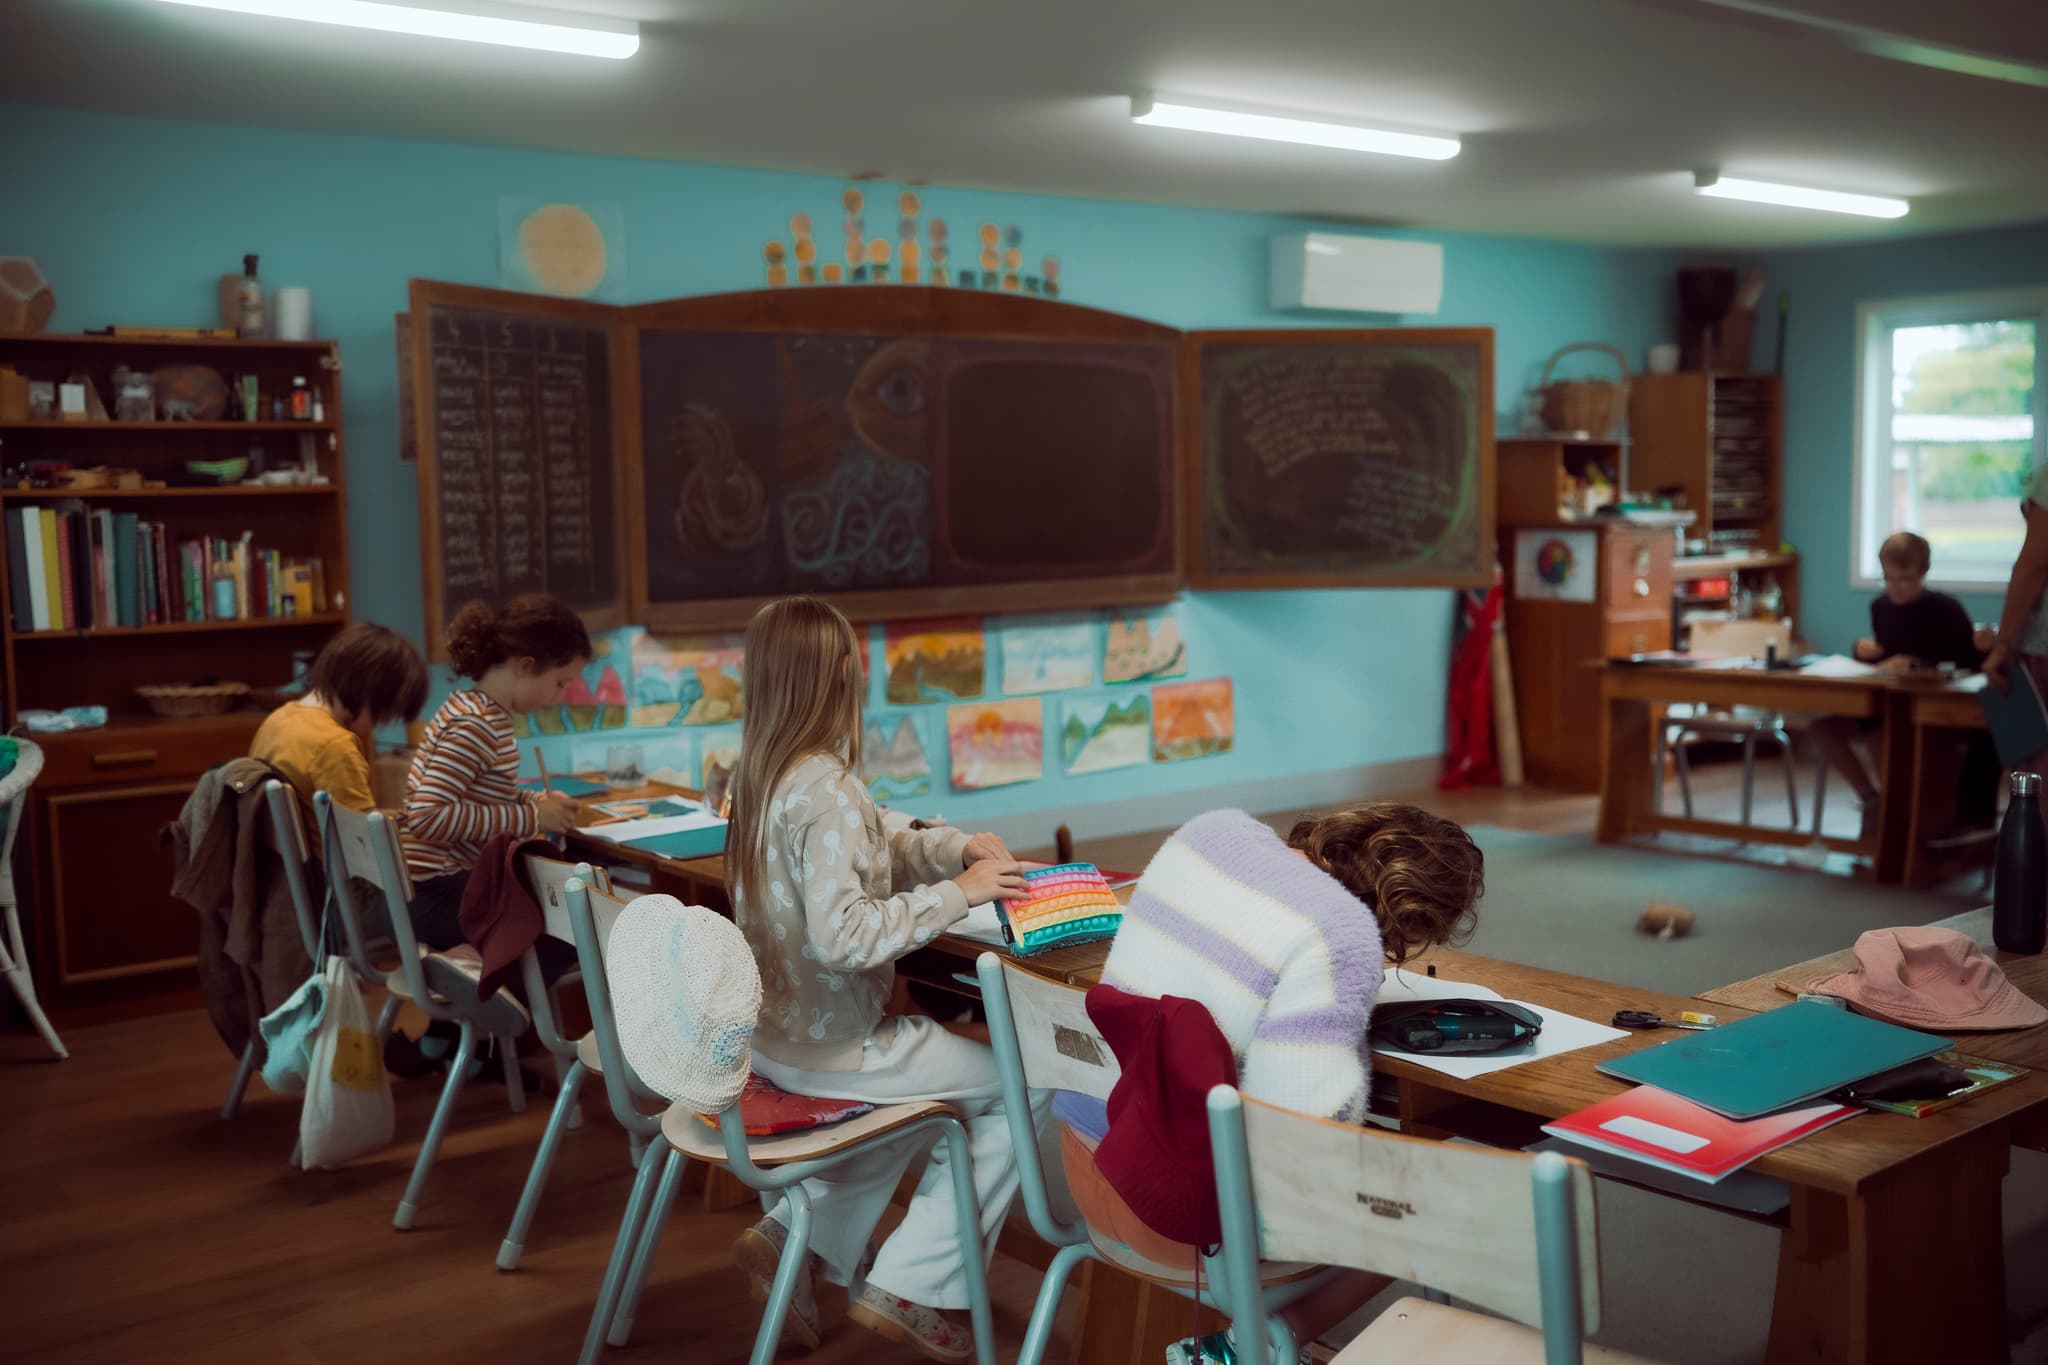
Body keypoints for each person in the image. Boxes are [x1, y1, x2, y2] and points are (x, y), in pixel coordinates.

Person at [723, 595, 1037, 1363]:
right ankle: (913, 1282)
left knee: (923, 1107)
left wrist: (950, 847)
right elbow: (844, 934)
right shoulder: (826, 787)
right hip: (835, 1046)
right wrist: (958, 893)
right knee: (1020, 1085)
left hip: (773, 1039)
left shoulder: (764, 774)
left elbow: (877, 831)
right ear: (833, 676)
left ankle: (799, 1234)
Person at [1065, 802, 1485, 1347]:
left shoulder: (1208, 831)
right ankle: (1260, 1345)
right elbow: (1304, 1138)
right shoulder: (1342, 934)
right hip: (1172, 1217)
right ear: (1412, 916)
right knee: (1441, 1196)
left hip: (1083, 1157)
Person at [400, 594, 590, 954]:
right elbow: (427, 816)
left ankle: (469, 1003)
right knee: (570, 936)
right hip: (440, 893)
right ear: (524, 665)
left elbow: (479, 795)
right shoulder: (477, 725)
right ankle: (491, 1004)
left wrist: (535, 802)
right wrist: (532, 815)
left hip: (436, 890)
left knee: (559, 921)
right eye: (560, 683)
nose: (558, 697)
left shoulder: (468, 707)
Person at [1812, 532, 1996, 831]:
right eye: (1888, 579)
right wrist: (1863, 650)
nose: (1895, 588)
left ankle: (1899, 812)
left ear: (1923, 574)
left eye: (1904, 580)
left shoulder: (1945, 609)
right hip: (1887, 701)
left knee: (1881, 732)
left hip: (1929, 711)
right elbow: (1884, 656)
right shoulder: (1881, 608)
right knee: (1822, 727)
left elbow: (1967, 662)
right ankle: (1873, 800)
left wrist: (1919, 664)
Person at [250, 622, 428, 820]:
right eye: (383, 714)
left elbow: (356, 819)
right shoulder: (335, 745)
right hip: (330, 851)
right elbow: (361, 840)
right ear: (368, 691)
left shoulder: (278, 720)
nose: (379, 725)